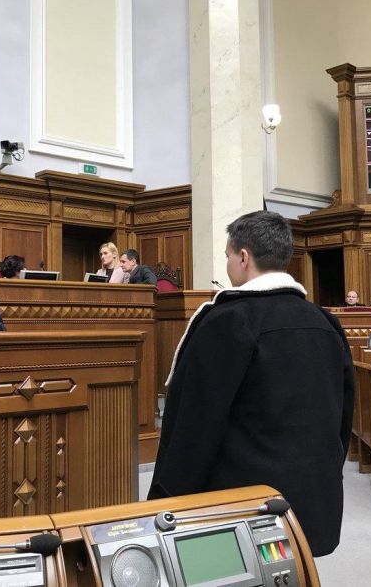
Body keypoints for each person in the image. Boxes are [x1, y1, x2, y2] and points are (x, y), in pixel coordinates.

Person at [148, 211, 354, 557]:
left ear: (243, 257)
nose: (228, 264)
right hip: (311, 500)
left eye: (228, 256)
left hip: (241, 508)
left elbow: (194, 426)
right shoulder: (325, 323)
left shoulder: (227, 321)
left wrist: (167, 503)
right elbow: (342, 417)